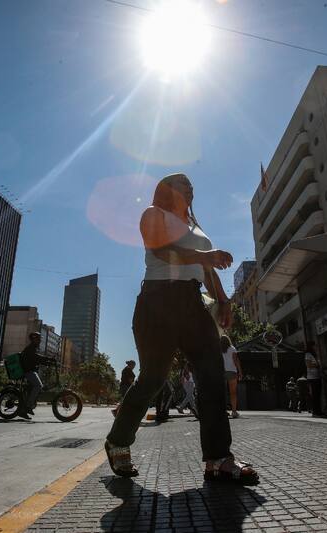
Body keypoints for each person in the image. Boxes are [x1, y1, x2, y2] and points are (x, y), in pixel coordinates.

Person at [104, 173, 259, 485]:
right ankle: (118, 440)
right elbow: (160, 251)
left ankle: (218, 458)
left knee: (212, 374)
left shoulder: (196, 228)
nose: (190, 187)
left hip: (191, 302)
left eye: (191, 184)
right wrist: (205, 256)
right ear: (167, 190)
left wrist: (224, 300)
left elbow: (206, 270)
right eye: (182, 183)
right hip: (157, 301)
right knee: (153, 379)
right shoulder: (153, 214)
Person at [19, 332, 54, 419]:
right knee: (38, 386)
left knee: (36, 387)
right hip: (28, 371)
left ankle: (25, 408)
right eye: (38, 339)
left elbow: (37, 359)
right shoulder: (31, 348)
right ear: (34, 339)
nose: (40, 340)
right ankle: (27, 407)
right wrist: (48, 359)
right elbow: (37, 358)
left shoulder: (33, 348)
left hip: (30, 371)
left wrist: (48, 362)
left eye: (40, 339)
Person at [221, 335, 243, 418]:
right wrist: (240, 372)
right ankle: (234, 412)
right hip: (232, 372)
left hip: (222, 372)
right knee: (233, 393)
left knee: (222, 393)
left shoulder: (218, 349)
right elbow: (236, 360)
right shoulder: (232, 348)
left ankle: (223, 411)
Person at [304, 341, 323, 416]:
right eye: (315, 345)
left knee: (318, 394)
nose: (316, 347)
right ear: (311, 346)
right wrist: (317, 365)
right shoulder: (308, 354)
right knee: (315, 395)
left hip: (317, 376)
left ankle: (319, 411)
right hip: (312, 377)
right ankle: (315, 412)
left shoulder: (314, 354)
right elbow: (308, 365)